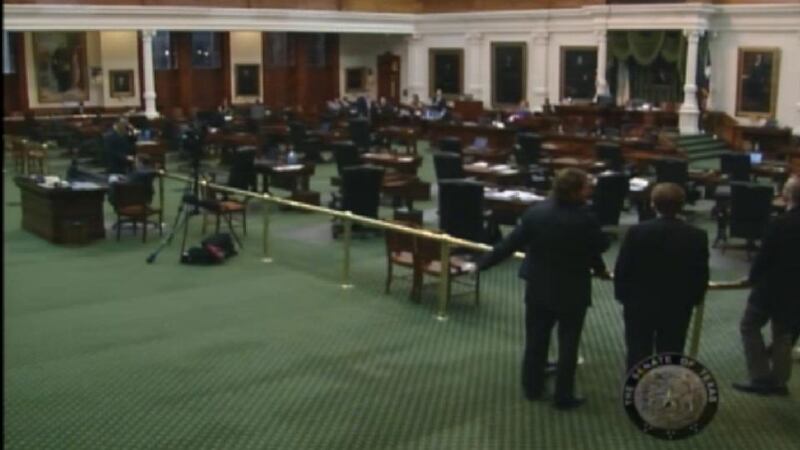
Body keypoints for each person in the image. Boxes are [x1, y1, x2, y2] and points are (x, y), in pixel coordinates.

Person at [476, 168, 610, 409]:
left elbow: (509, 244)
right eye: (587, 186)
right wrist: (600, 270)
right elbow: (600, 246)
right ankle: (563, 396)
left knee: (536, 339)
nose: (590, 190)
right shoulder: (586, 218)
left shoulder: (536, 213)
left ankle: (532, 387)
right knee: (569, 344)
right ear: (576, 191)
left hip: (538, 285)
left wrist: (481, 265)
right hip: (573, 289)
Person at [614, 183, 710, 372]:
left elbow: (623, 268)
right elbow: (700, 273)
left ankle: (634, 395)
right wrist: (694, 299)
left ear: (653, 204)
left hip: (639, 303)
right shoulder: (697, 236)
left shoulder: (637, 232)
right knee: (671, 352)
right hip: (677, 305)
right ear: (682, 205)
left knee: (638, 353)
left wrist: (623, 297)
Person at [733, 175, 800, 396]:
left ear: (786, 195)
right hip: (796, 291)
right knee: (783, 334)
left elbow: (763, 258)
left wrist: (751, 279)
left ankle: (760, 377)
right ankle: (779, 382)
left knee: (749, 326)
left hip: (771, 289)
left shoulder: (779, 223)